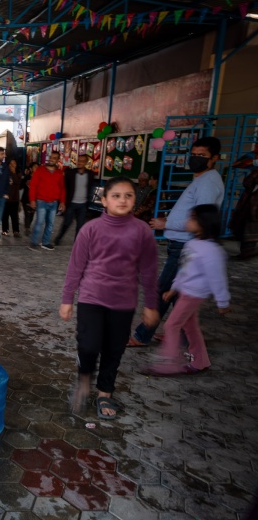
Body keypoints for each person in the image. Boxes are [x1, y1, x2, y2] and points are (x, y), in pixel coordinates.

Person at [60, 177, 159, 420]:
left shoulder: (142, 231)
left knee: (114, 350)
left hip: (123, 303)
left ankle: (105, 392)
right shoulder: (90, 229)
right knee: (89, 345)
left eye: (128, 195)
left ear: (135, 200)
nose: (122, 200)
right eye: (116, 195)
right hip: (91, 298)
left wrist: (151, 305)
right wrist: (67, 299)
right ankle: (84, 378)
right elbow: (76, 267)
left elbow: (149, 270)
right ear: (103, 200)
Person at [128, 135, 224, 347]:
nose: (196, 158)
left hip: (185, 245)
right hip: (181, 243)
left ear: (214, 158)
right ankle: (180, 333)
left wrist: (167, 224)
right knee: (177, 294)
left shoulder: (208, 183)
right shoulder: (202, 179)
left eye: (202, 155)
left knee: (163, 290)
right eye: (194, 154)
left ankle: (143, 335)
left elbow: (201, 219)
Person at [143, 205, 230, 376]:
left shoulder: (212, 251)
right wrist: (174, 289)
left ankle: (169, 364)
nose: (187, 221)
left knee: (171, 326)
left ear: (203, 223)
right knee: (190, 327)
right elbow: (184, 270)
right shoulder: (192, 243)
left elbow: (217, 278)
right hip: (185, 293)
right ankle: (200, 361)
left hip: (194, 295)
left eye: (192, 218)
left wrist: (222, 301)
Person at [27, 150, 65, 251]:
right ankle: (33, 242)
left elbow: (62, 188)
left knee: (50, 223)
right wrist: (32, 200)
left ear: (58, 160)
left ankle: (45, 242)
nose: (51, 159)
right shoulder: (40, 170)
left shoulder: (59, 173)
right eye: (51, 157)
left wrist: (62, 201)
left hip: (53, 202)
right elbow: (33, 186)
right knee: (39, 222)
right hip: (41, 201)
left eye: (54, 158)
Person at [55, 152, 95, 245]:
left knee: (80, 225)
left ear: (86, 163)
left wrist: (89, 201)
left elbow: (90, 188)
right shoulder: (70, 173)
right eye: (79, 160)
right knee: (66, 223)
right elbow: (64, 188)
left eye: (82, 161)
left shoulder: (90, 174)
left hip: (83, 204)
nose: (80, 162)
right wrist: (63, 202)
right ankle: (59, 237)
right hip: (71, 203)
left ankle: (77, 243)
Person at [232, 162, 258, 259]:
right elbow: (247, 182)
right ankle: (246, 252)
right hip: (248, 207)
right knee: (242, 228)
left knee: (250, 231)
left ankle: (248, 252)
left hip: (253, 210)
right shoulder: (252, 182)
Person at [2, 158, 22, 237]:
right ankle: (5, 230)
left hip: (14, 197)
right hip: (6, 198)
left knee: (14, 216)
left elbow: (18, 182)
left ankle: (16, 231)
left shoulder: (18, 173)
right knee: (5, 215)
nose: (13, 165)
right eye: (11, 163)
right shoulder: (5, 173)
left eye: (14, 163)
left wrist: (13, 173)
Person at [22, 163, 35, 234]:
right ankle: (27, 227)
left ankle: (28, 225)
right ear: (30, 169)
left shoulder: (39, 178)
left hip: (34, 199)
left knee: (32, 215)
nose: (36, 168)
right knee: (27, 213)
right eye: (34, 167)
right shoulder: (27, 177)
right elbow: (21, 186)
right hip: (26, 198)